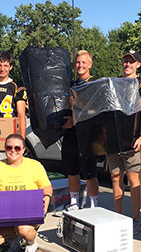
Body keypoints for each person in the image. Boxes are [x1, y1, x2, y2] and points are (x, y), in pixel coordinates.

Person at [0, 134, 53, 252]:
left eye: (17, 148)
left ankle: (31, 244)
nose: (13, 150)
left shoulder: (34, 165)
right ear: (5, 149)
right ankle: (15, 237)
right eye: (9, 147)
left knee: (23, 228)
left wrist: (47, 197)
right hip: (5, 214)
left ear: (23, 149)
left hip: (29, 211)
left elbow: (47, 187)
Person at [106, 50, 141, 235]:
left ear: (138, 64)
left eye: (131, 62)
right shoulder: (114, 83)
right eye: (125, 61)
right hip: (114, 140)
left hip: (132, 141)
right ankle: (118, 217)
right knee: (116, 178)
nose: (128, 64)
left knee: (133, 180)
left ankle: (135, 219)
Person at [61, 50, 99, 210]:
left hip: (87, 135)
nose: (80, 65)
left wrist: (76, 116)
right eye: (78, 62)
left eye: (84, 62)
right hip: (70, 134)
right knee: (72, 170)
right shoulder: (71, 84)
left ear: (90, 64)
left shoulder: (95, 84)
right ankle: (74, 202)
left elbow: (96, 111)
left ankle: (94, 204)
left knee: (89, 172)